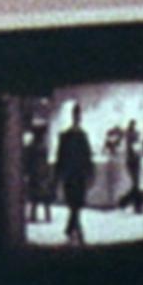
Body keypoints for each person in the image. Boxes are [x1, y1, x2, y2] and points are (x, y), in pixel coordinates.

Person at [51, 100, 94, 245]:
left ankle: (71, 228)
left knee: (75, 203)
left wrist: (58, 175)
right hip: (75, 174)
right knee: (75, 203)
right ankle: (76, 229)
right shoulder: (77, 136)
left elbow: (61, 157)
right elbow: (87, 156)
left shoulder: (70, 136)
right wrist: (90, 173)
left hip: (73, 174)